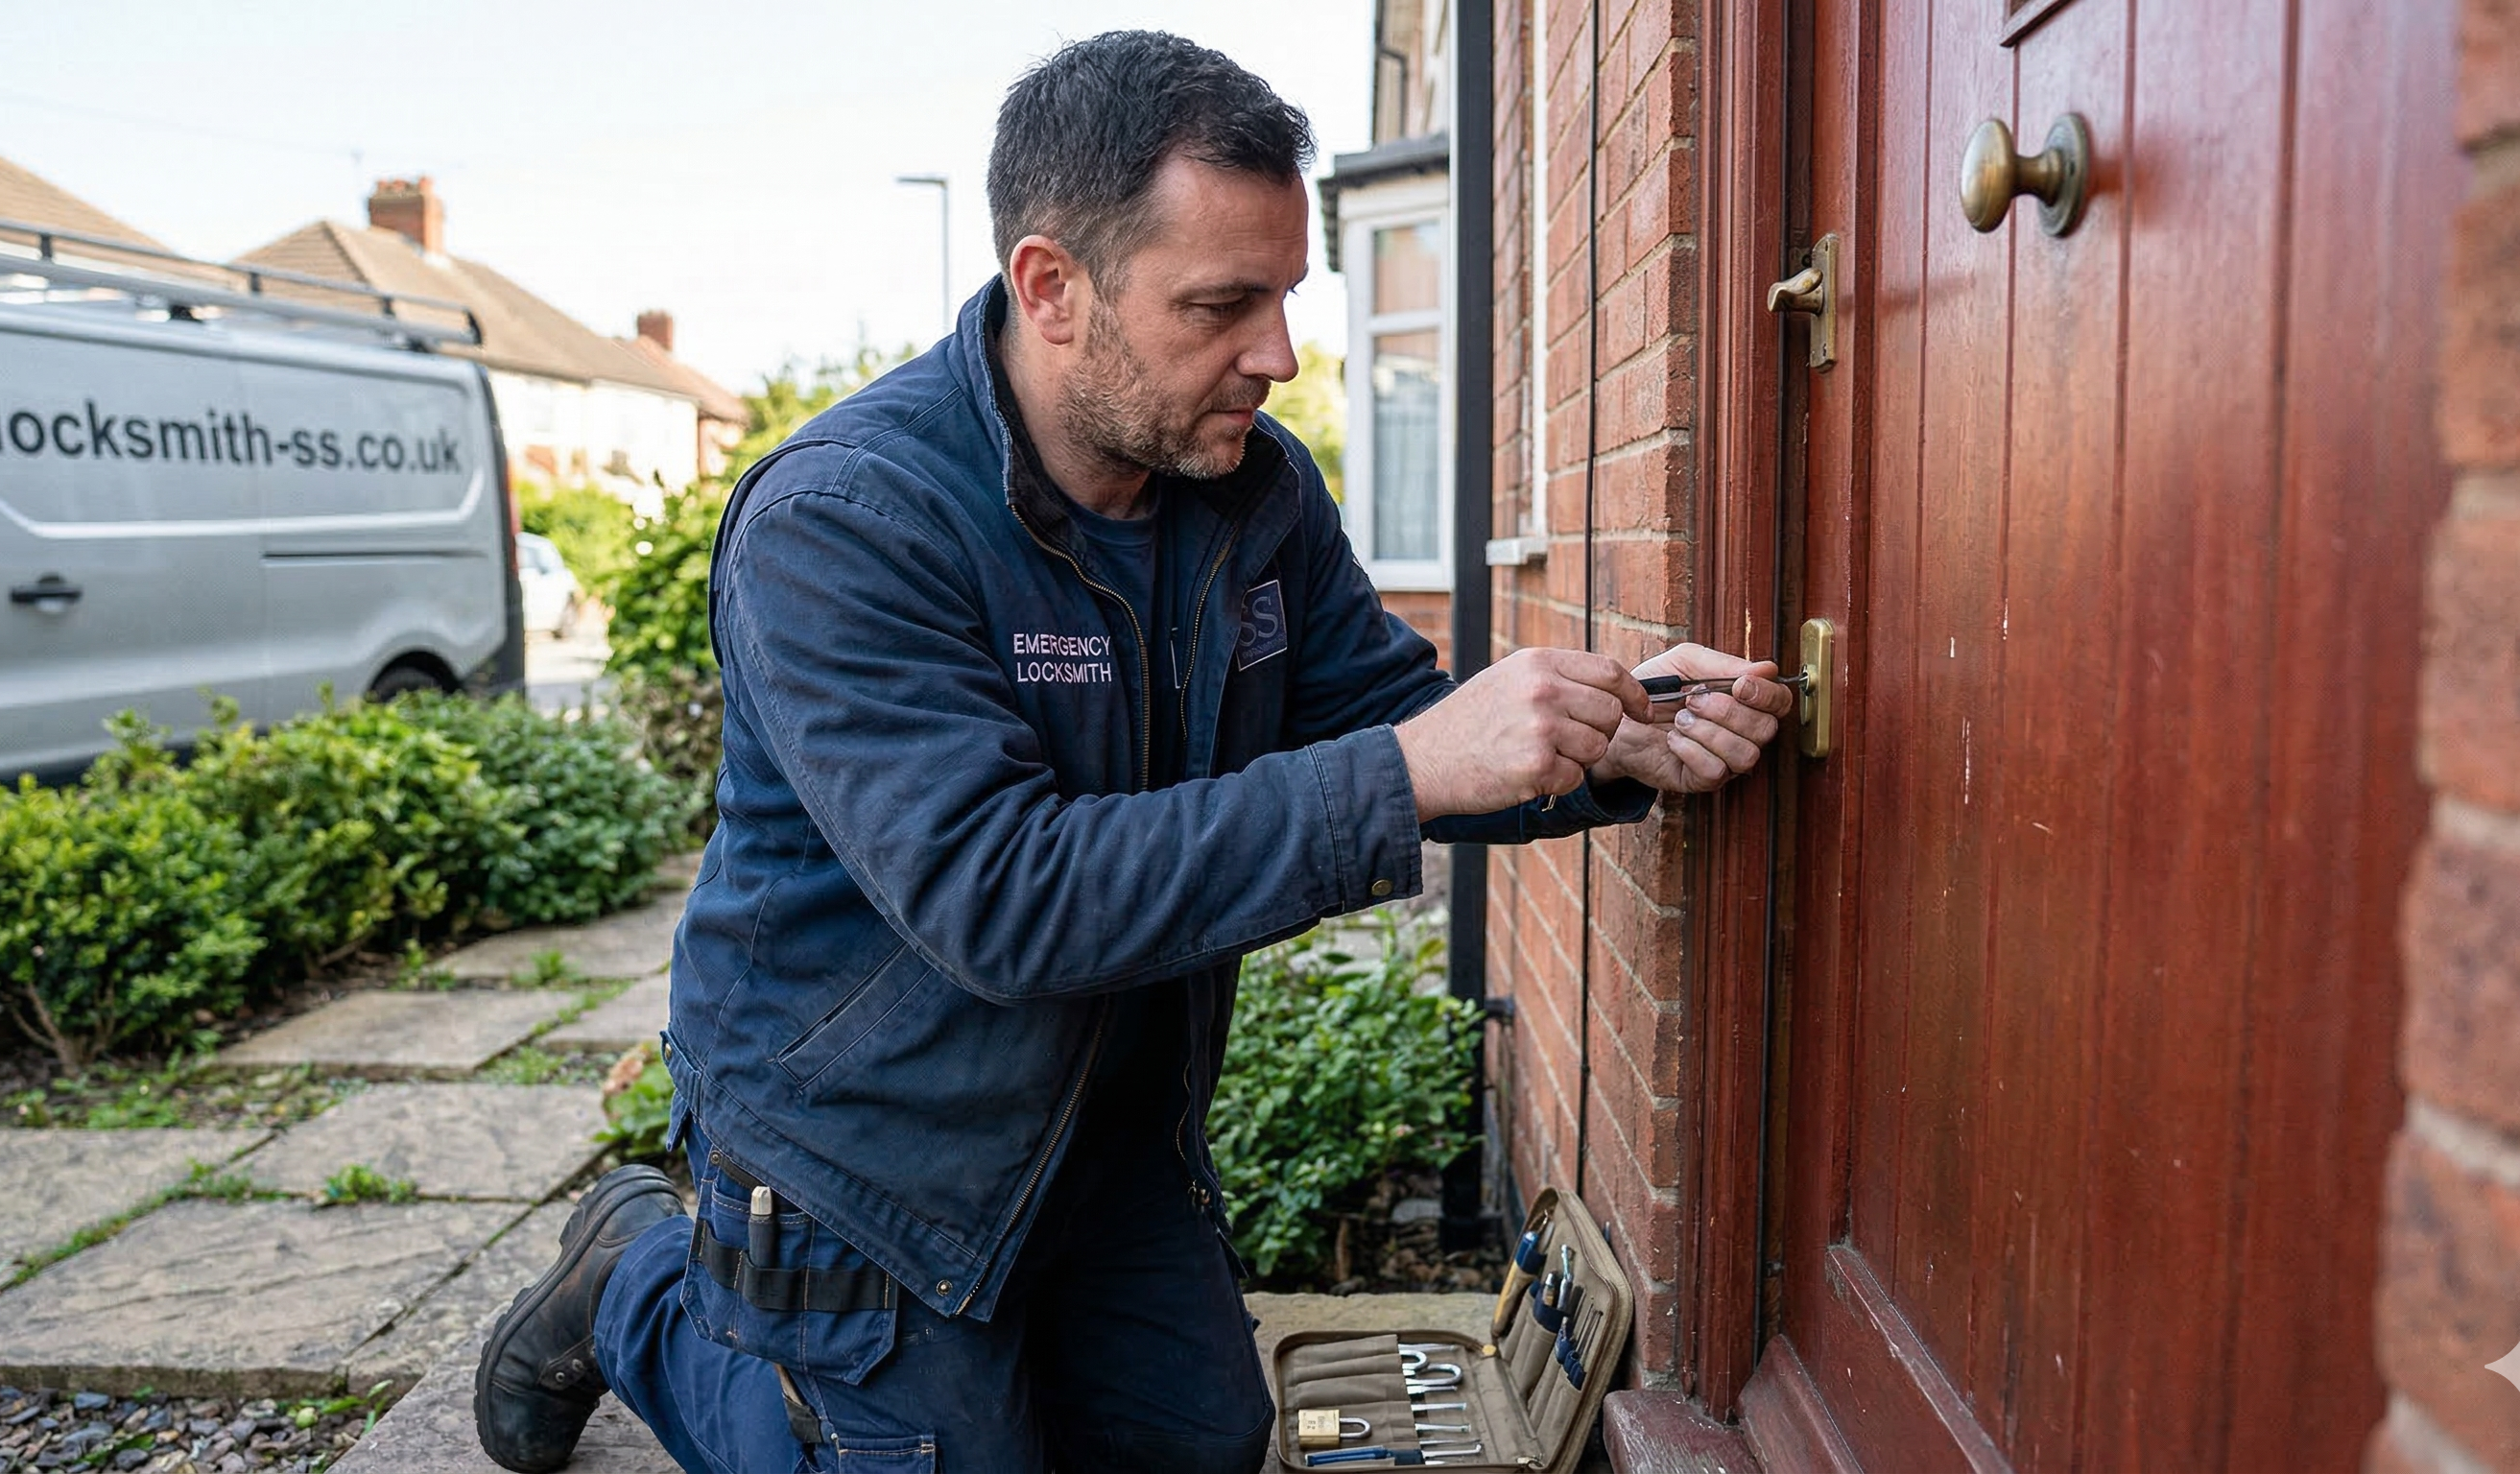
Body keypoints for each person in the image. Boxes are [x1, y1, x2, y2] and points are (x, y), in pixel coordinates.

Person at [473, 30, 1791, 1474]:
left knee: (1207, 1445)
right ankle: (645, 1287)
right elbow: (1001, 895)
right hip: (866, 1160)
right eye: (1223, 306)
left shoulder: (1252, 493)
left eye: (1287, 299)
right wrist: (1412, 773)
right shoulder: (845, 522)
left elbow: (1391, 727)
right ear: (1052, 287)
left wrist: (1620, 738)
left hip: (1110, 1137)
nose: (1279, 358)